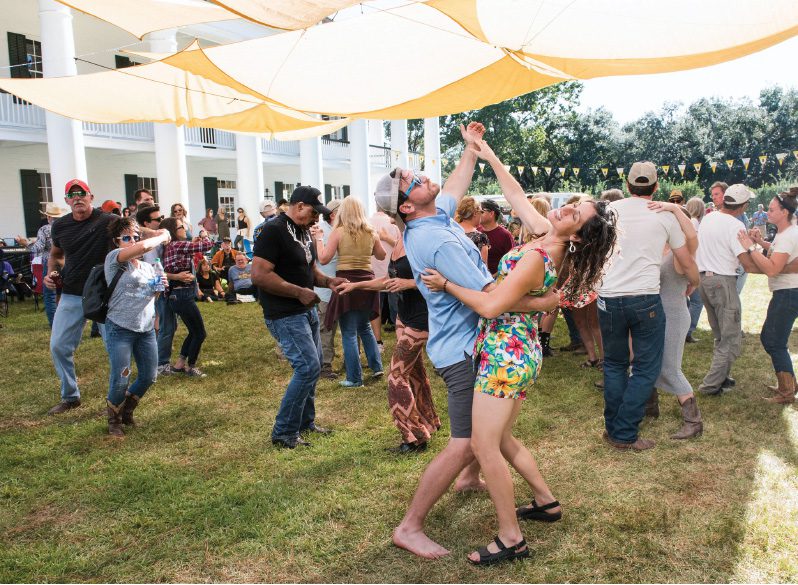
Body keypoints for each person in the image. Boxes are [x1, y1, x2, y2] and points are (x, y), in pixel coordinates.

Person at [420, 137, 617, 565]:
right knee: (502, 438)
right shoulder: (549, 235)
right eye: (571, 204)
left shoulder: (542, 253)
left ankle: (512, 537)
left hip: (505, 355)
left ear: (579, 235)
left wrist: (447, 285)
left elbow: (491, 305)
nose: (564, 208)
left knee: (484, 445)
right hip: (517, 349)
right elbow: (514, 193)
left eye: (575, 213)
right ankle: (546, 501)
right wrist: (486, 152)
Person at [376, 123, 555, 560]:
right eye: (412, 180)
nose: (421, 177)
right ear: (405, 204)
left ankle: (474, 479)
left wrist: (471, 150)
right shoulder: (435, 237)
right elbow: (493, 299)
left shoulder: (435, 215)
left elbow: (455, 183)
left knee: (488, 431)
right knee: (466, 441)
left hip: (472, 343)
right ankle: (410, 526)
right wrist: (549, 300)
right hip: (462, 350)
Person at [597, 162, 699, 451]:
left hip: (609, 296)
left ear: (627, 185)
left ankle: (613, 429)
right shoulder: (663, 215)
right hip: (644, 298)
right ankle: (625, 433)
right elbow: (687, 259)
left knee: (615, 365)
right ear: (655, 187)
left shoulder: (608, 212)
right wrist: (694, 283)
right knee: (644, 368)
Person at [250, 186, 346, 449]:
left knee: (312, 368)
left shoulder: (302, 229)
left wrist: (328, 281)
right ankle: (283, 432)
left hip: (306, 311)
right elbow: (258, 275)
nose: (317, 218)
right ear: (300, 206)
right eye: (314, 212)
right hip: (284, 313)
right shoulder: (274, 230)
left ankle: (305, 422)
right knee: (307, 368)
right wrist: (298, 293)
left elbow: (309, 267)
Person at [336, 235, 439, 452]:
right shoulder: (401, 240)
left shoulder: (424, 241)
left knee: (396, 376)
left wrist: (410, 283)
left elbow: (443, 281)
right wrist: (356, 285)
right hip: (404, 315)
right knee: (414, 373)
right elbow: (388, 281)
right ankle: (428, 422)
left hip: (421, 319)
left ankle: (415, 437)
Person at [45, 180, 118, 414]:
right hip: (71, 292)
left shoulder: (108, 221)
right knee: (58, 346)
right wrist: (51, 273)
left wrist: (159, 231)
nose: (77, 198)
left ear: (91, 197)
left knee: (115, 347)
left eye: (82, 194)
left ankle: (116, 400)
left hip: (104, 294)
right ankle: (70, 396)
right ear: (67, 201)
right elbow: (56, 255)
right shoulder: (61, 226)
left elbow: (133, 230)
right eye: (72, 195)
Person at [102, 217, 170, 437]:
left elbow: (152, 295)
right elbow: (142, 247)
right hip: (119, 327)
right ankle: (114, 420)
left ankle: (126, 411)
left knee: (149, 375)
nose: (132, 241)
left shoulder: (148, 267)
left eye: (135, 237)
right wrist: (162, 235)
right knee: (122, 375)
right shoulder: (114, 259)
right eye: (126, 238)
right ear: (116, 241)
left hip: (145, 329)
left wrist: (160, 287)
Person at [695, 184, 762, 396]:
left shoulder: (709, 217)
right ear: (743, 206)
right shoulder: (734, 225)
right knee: (730, 338)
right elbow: (748, 265)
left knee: (720, 333)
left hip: (704, 280)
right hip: (723, 282)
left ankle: (722, 377)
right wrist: (774, 269)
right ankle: (711, 385)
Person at [645, 200, 704, 439]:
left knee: (670, 368)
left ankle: (694, 421)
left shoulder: (682, 254)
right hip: (655, 315)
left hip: (674, 316)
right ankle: (649, 407)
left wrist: (675, 210)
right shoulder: (663, 248)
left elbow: (692, 235)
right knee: (647, 361)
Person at [316, 196, 385, 387]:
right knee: (364, 326)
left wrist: (319, 239)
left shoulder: (338, 232)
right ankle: (376, 366)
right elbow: (381, 255)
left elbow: (323, 259)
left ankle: (354, 378)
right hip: (367, 281)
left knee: (348, 332)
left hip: (346, 281)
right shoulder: (371, 232)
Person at [738, 187, 798, 404]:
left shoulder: (789, 235)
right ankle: (788, 383)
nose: (767, 213)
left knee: (773, 340)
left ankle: (787, 391)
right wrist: (762, 243)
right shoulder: (786, 233)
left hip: (788, 293)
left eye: (772, 210)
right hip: (787, 292)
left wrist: (750, 248)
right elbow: (777, 252)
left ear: (784, 212)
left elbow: (772, 268)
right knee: (773, 338)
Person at [159, 217, 212, 377]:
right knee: (200, 333)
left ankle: (180, 364)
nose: (185, 229)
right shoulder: (178, 244)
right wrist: (205, 234)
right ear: (173, 231)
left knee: (193, 331)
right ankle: (191, 367)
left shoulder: (171, 246)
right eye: (181, 227)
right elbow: (207, 246)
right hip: (182, 295)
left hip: (177, 295)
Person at [15, 202, 66, 326]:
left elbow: (37, 248)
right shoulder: (66, 227)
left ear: (48, 217)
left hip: (50, 264)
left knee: (50, 295)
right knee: (65, 293)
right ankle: (65, 321)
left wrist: (25, 242)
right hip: (66, 262)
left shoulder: (45, 229)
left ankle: (54, 323)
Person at [312, 199, 342, 380]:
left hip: (341, 287)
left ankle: (351, 361)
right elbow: (320, 260)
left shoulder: (339, 230)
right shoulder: (320, 230)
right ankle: (324, 365)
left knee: (346, 326)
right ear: (333, 214)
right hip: (325, 291)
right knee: (326, 328)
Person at [369, 208, 401, 349]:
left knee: (376, 308)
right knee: (397, 308)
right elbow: (401, 248)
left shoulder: (367, 225)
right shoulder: (393, 227)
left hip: (373, 272)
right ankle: (401, 340)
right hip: (392, 271)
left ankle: (377, 342)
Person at [684, 197, 706, 343]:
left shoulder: (687, 220)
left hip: (686, 264)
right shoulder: (695, 223)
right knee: (697, 301)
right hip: (694, 265)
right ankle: (688, 331)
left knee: (687, 299)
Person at [479, 198, 515, 275]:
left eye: (481, 211)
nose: (478, 214)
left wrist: (494, 277)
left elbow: (511, 261)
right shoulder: (476, 232)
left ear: (492, 213)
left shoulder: (505, 235)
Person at [455, 197, 489, 264]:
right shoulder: (480, 238)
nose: (482, 215)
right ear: (475, 213)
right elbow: (483, 268)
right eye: (481, 212)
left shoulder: (451, 231)